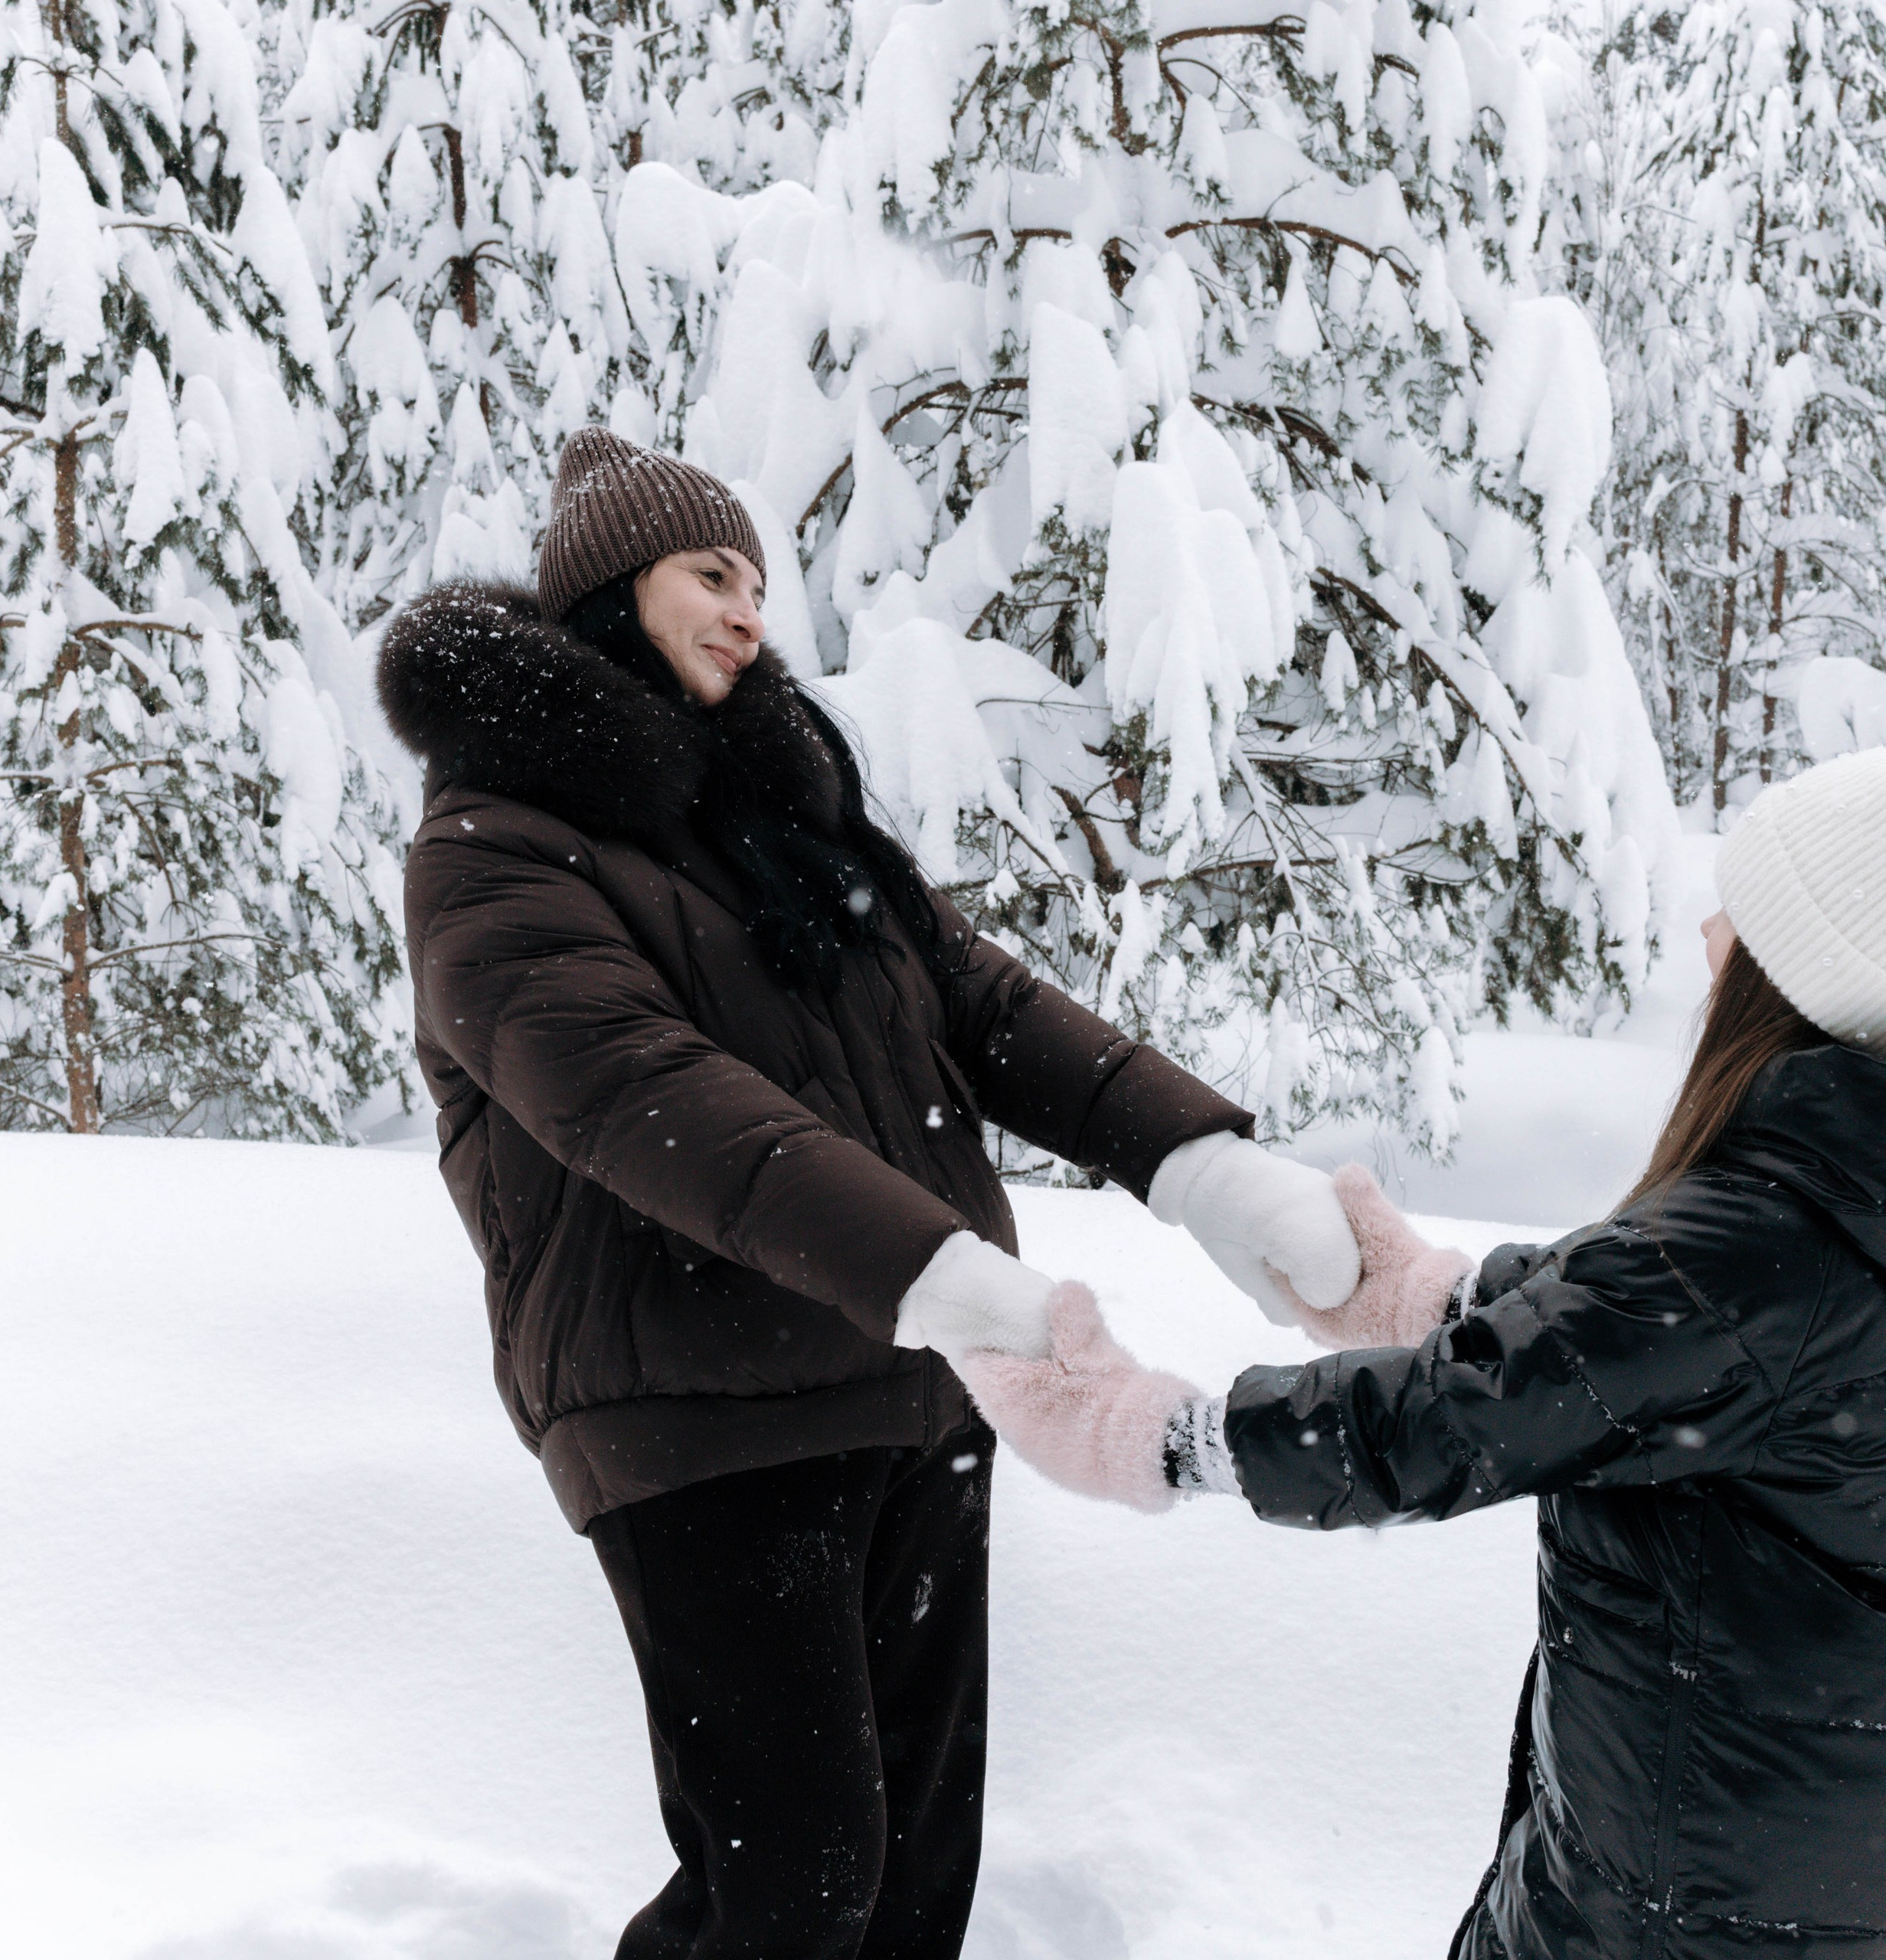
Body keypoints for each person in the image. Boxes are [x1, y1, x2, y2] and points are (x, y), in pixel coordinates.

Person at [376, 426, 1373, 1959]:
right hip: (702, 1415)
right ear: (611, 590)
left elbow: (988, 1009)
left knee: (912, 1884)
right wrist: (938, 1268)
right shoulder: (492, 851)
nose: (746, 611)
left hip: (915, 1398)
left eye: (757, 584)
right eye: (710, 574)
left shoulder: (782, 825)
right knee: (790, 1889)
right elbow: (640, 1092)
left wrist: (1201, 1162)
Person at [964, 745, 1886, 1958]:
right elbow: (1663, 1352)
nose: (1708, 928)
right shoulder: (1850, 1211)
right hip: (1820, 1876)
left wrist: (1154, 1436)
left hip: (1675, 1904)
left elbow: (1445, 1421)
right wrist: (1437, 1296)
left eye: (1747, 911)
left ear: (1807, 979)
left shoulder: (1753, 1246)